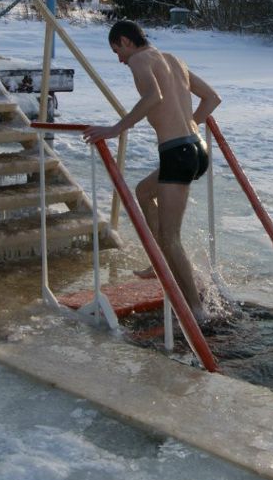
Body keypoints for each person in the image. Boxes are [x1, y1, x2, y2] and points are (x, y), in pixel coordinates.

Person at [82, 21, 220, 317]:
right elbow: (212, 98)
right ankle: (159, 260)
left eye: (116, 51)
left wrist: (116, 128)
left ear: (125, 42)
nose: (119, 59)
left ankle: (196, 309)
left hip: (177, 153)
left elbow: (153, 97)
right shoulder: (173, 60)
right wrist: (191, 125)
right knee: (144, 192)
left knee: (172, 237)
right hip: (196, 150)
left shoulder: (139, 59)